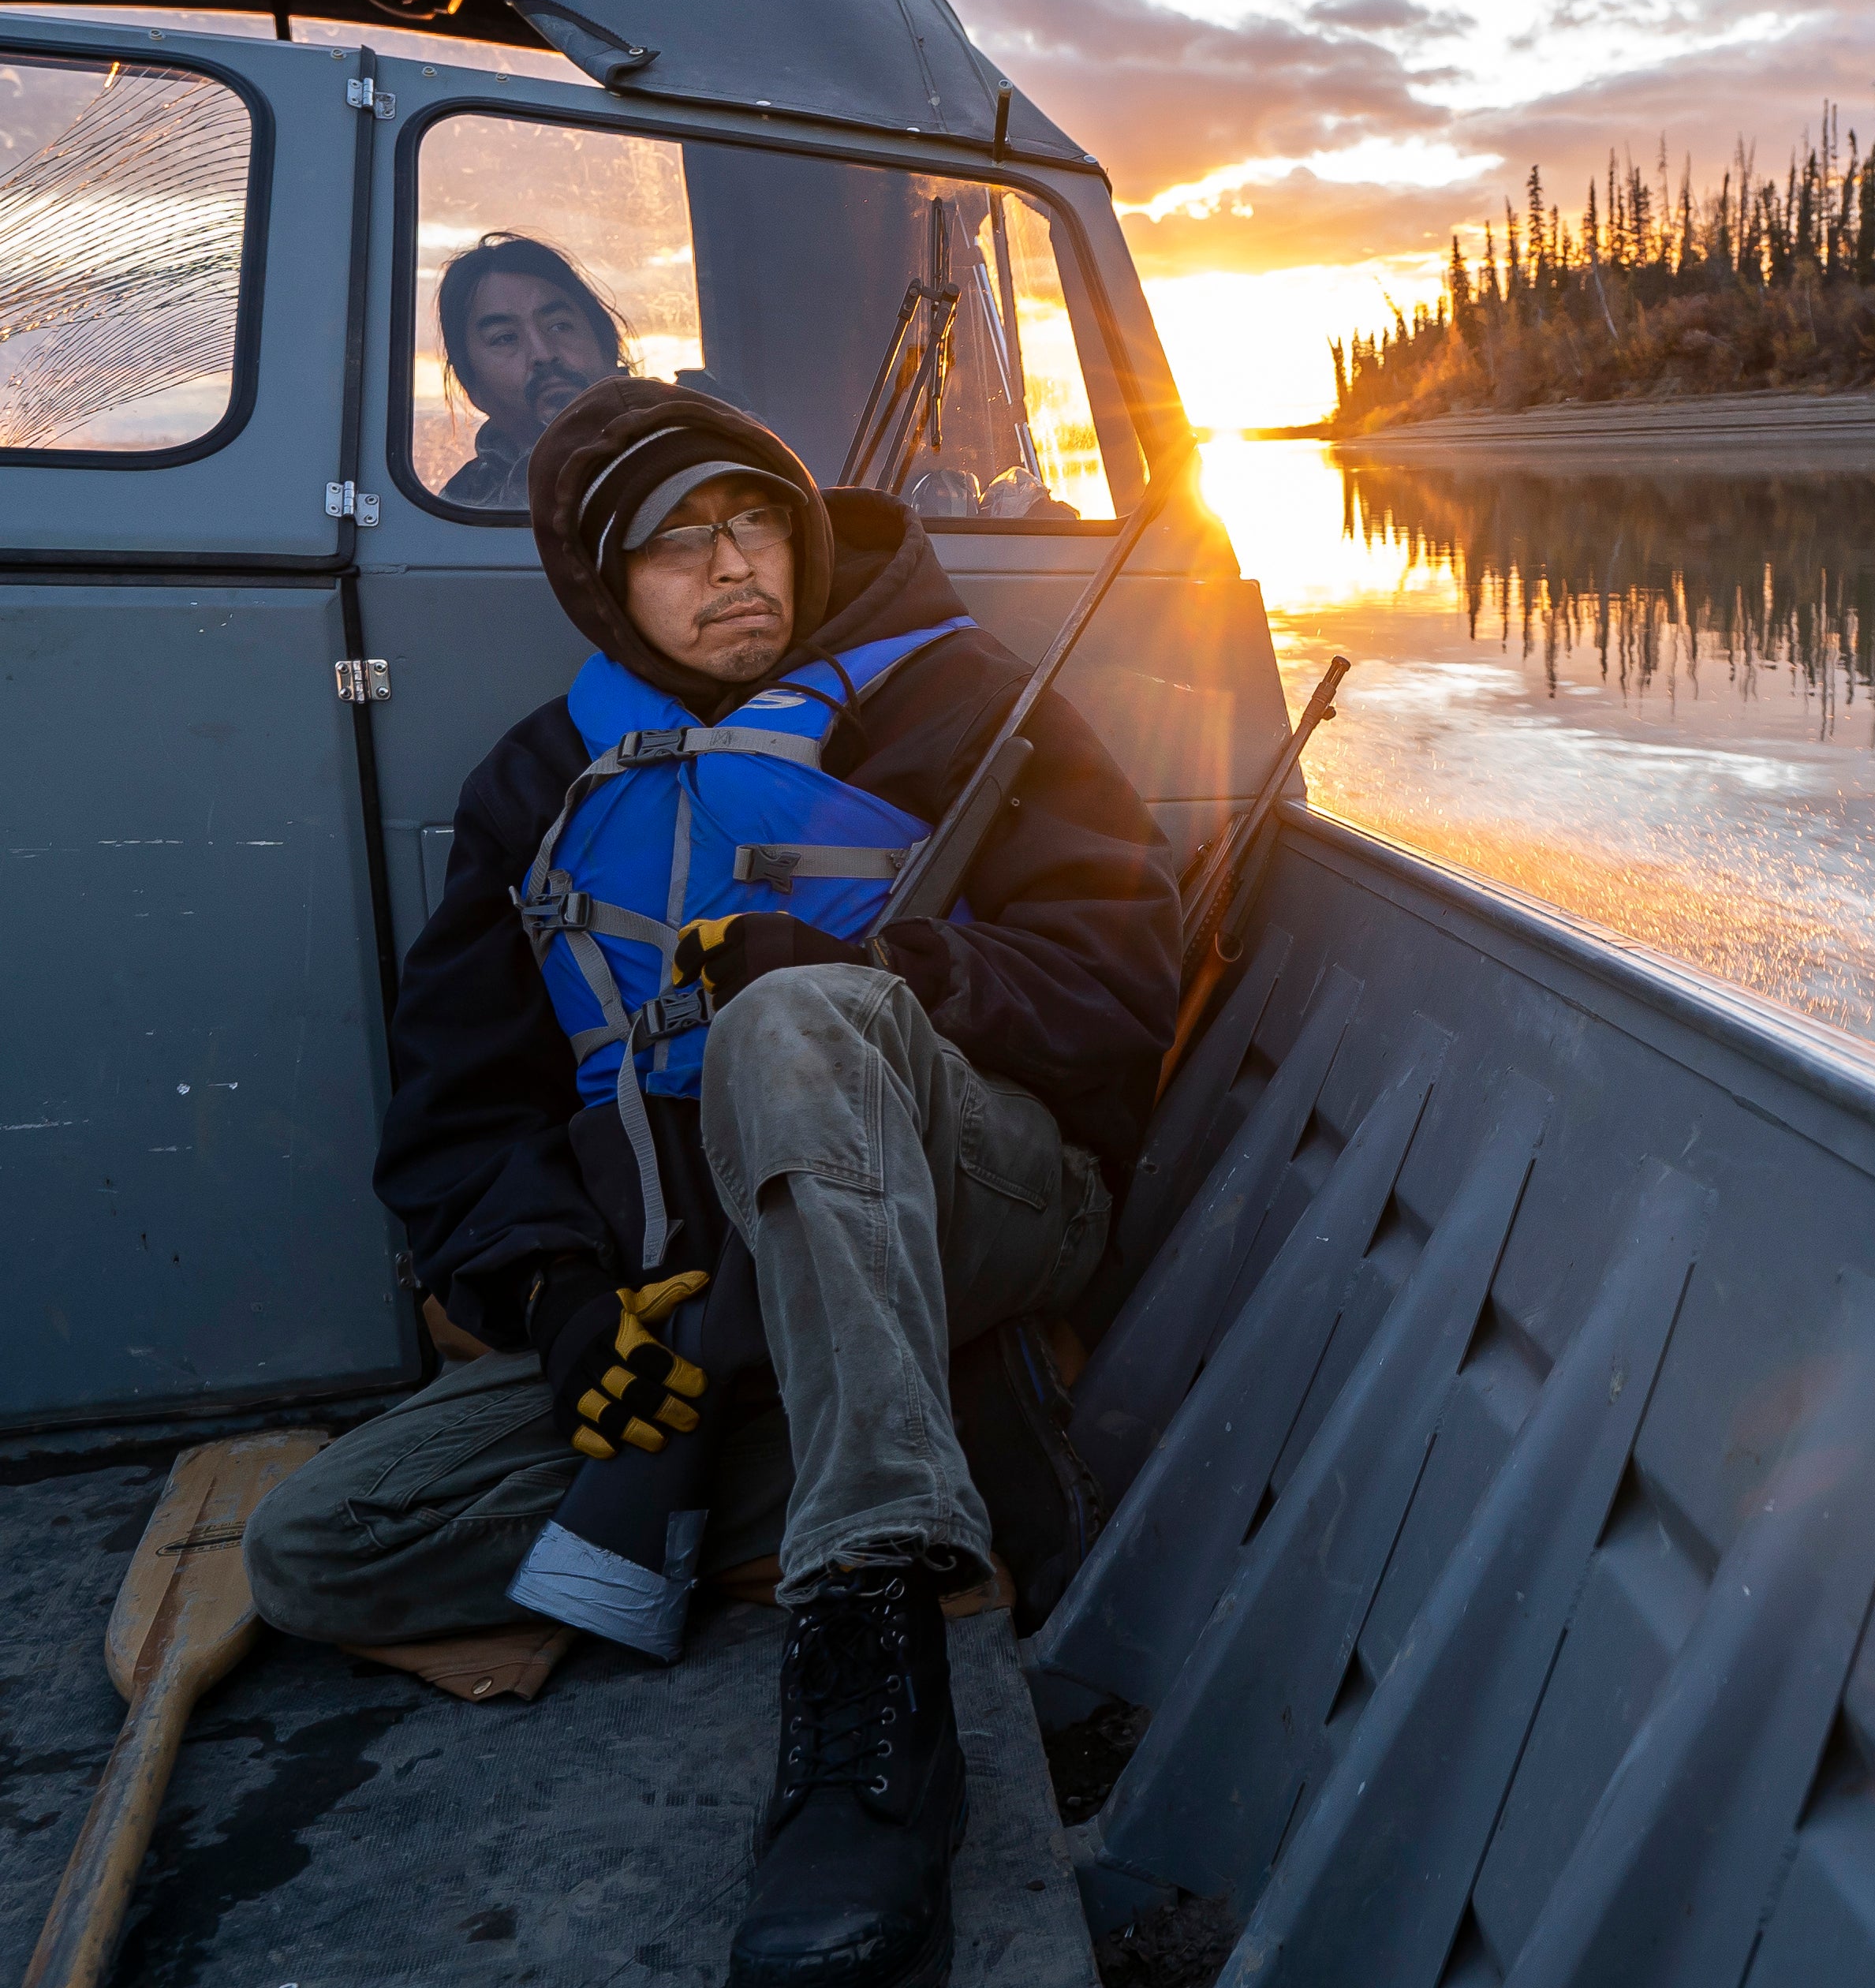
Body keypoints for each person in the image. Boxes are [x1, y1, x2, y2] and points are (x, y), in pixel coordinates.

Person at [244, 379, 1182, 1987]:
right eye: (678, 546)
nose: (733, 565)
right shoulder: (533, 787)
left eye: (754, 519)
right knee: (324, 1547)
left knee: (798, 1017)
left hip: (984, 1196)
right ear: (611, 592)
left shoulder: (965, 703)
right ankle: (913, 1432)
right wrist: (556, 1300)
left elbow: (1118, 992)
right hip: (702, 1277)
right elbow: (462, 1113)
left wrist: (876, 964)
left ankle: (869, 1662)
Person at [433, 233, 626, 507]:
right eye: (505, 338)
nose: (544, 354)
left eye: (560, 326)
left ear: (606, 347)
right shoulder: (461, 507)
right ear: (472, 386)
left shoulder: (680, 453)